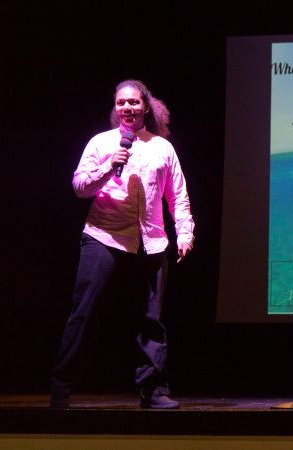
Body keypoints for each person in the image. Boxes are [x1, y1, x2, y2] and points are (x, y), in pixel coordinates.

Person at [49, 80, 195, 409]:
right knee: (84, 313)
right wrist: (109, 165)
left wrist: (185, 231)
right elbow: (80, 187)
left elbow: (178, 195)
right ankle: (61, 389)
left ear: (146, 106)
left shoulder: (162, 147)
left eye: (133, 102)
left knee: (150, 320)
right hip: (104, 235)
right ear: (115, 108)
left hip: (152, 241)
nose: (127, 108)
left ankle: (154, 392)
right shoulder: (101, 143)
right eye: (121, 103)